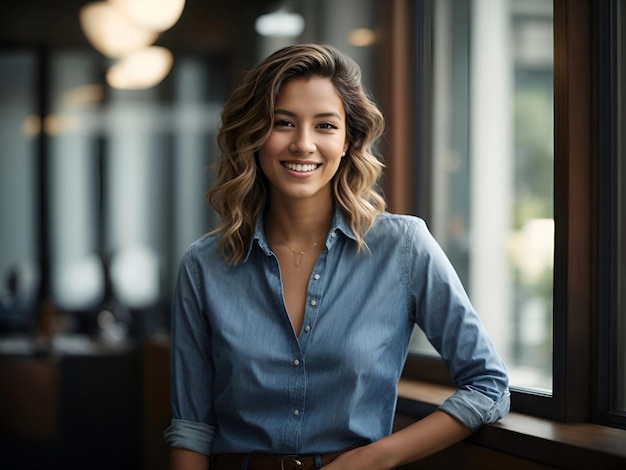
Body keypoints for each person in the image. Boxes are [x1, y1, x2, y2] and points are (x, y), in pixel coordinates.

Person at [164, 43, 510, 470]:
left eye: (325, 125)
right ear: (254, 136)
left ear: (349, 139)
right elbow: (191, 428)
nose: (303, 144)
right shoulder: (203, 266)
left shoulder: (404, 247)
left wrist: (376, 458)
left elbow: (488, 384)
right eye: (283, 123)